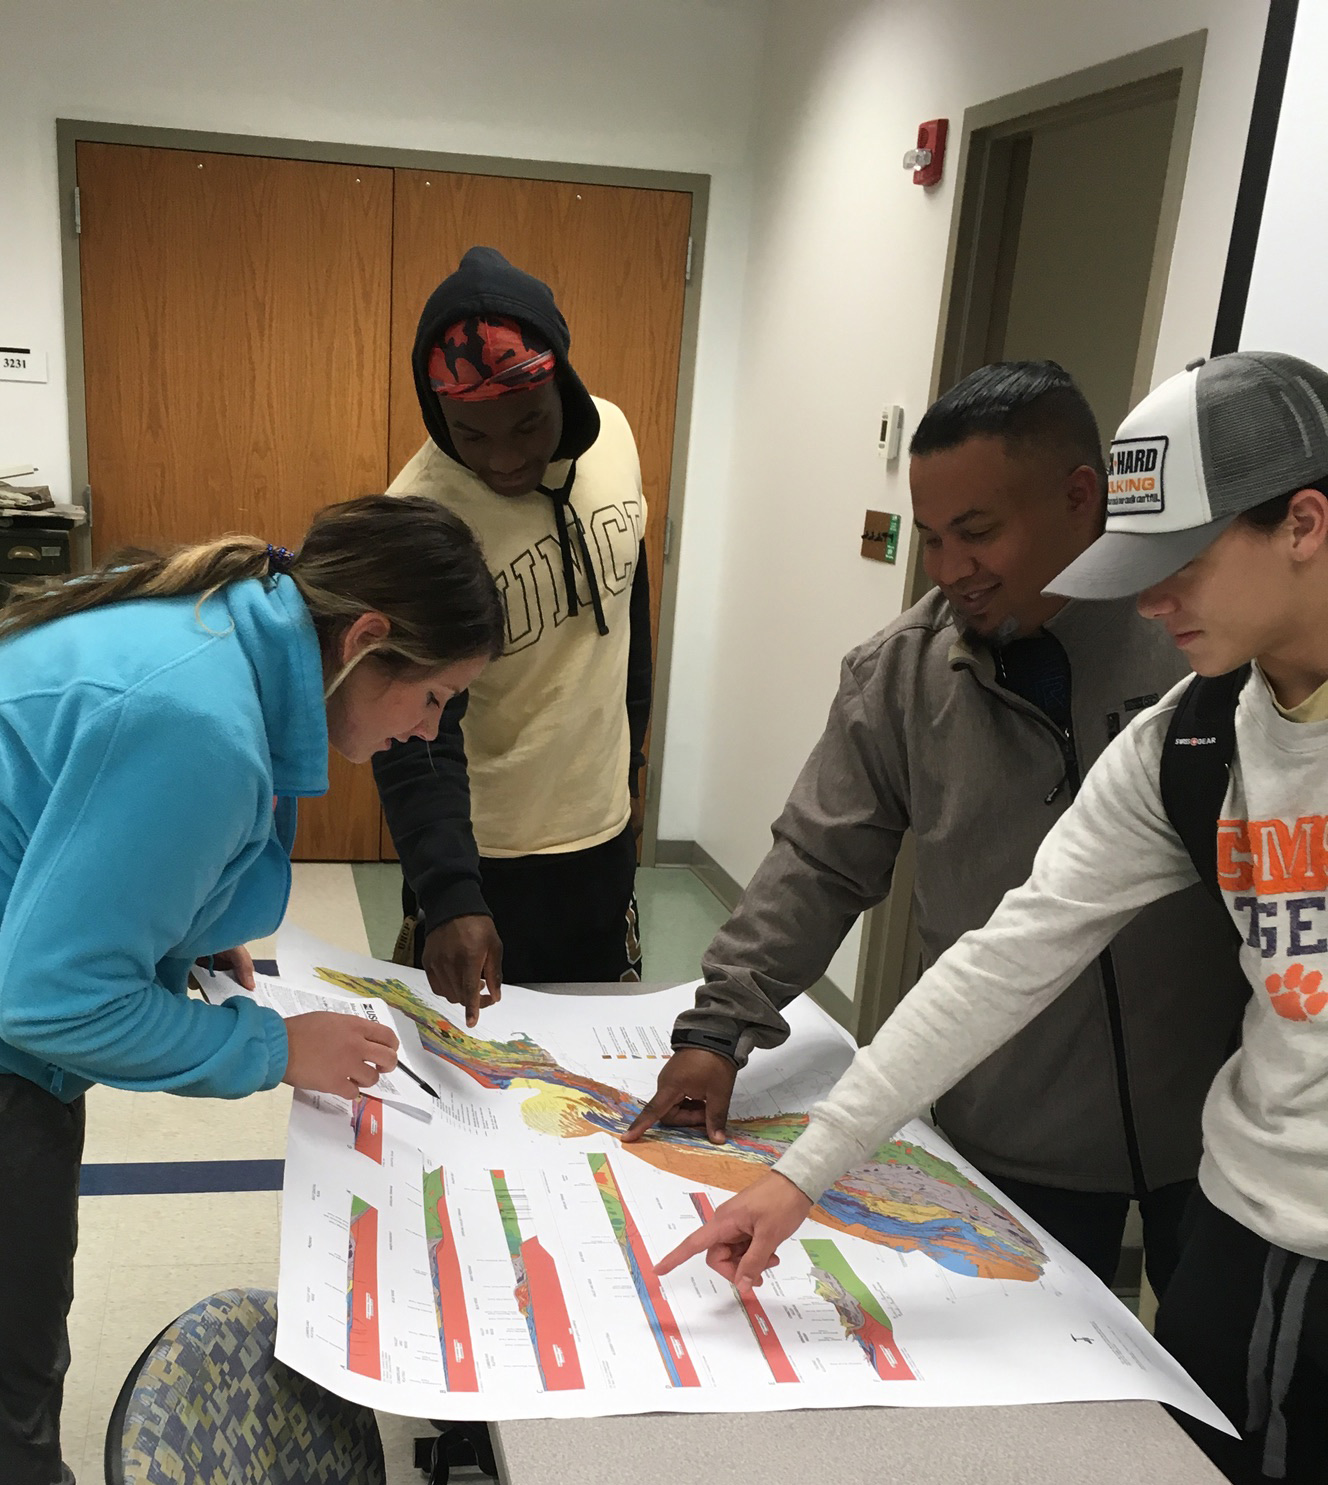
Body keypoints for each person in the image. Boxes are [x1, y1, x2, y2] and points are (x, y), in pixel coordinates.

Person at [663, 351, 1328, 1484]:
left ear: (1303, 523)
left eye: (1185, 564)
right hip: (1234, 1207)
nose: (1156, 598)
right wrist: (798, 1173)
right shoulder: (1192, 738)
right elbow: (1002, 957)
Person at [0, 495, 504, 1485]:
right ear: (367, 638)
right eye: (432, 697)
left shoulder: (225, 615)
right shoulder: (198, 723)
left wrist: (184, 935)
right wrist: (277, 1048)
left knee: (4, 1353)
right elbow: (53, 1003)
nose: (427, 730)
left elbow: (68, 827)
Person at [627, 361, 1246, 1294]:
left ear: (1083, 498)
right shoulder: (902, 674)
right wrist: (720, 1029)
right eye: (932, 538)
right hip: (1007, 1115)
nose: (953, 568)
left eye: (980, 532)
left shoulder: (1198, 644)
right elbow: (820, 861)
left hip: (1212, 1119)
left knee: (1219, 1385)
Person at [373, 246, 652, 1024]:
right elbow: (410, 732)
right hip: (480, 859)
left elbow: (628, 606)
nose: (507, 458)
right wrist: (449, 890)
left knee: (592, 1077)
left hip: (601, 838)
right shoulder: (420, 517)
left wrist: (631, 768)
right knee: (467, 1079)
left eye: (529, 425)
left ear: (563, 382)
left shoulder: (616, 436)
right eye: (473, 436)